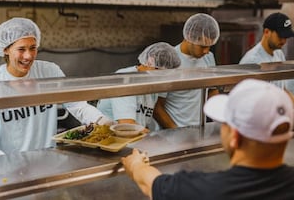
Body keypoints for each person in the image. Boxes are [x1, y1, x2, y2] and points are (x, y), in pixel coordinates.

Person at [122, 78, 294, 200]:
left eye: (224, 123)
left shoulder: (202, 191)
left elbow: (150, 183)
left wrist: (136, 164)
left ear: (235, 136)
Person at [0, 17, 112, 158]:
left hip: (49, 161)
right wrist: (10, 166)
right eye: (21, 49)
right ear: (6, 49)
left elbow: (77, 105)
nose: (28, 56)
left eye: (33, 48)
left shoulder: (50, 72)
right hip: (11, 170)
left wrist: (104, 122)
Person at [153, 13, 220, 129]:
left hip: (199, 130)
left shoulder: (208, 58)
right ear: (189, 37)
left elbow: (212, 91)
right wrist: (176, 130)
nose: (206, 51)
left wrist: (220, 118)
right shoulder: (169, 60)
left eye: (210, 46)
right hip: (174, 132)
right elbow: (157, 106)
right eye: (202, 46)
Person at [97, 42, 181, 131]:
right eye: (163, 74)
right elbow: (127, 125)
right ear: (150, 62)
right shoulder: (126, 79)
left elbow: (142, 120)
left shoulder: (152, 83)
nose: (164, 79)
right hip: (110, 138)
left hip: (131, 138)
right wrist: (154, 139)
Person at [239, 12, 294, 89]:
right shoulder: (253, 61)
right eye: (280, 36)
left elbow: (283, 89)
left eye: (286, 37)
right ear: (267, 32)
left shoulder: (278, 53)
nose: (284, 41)